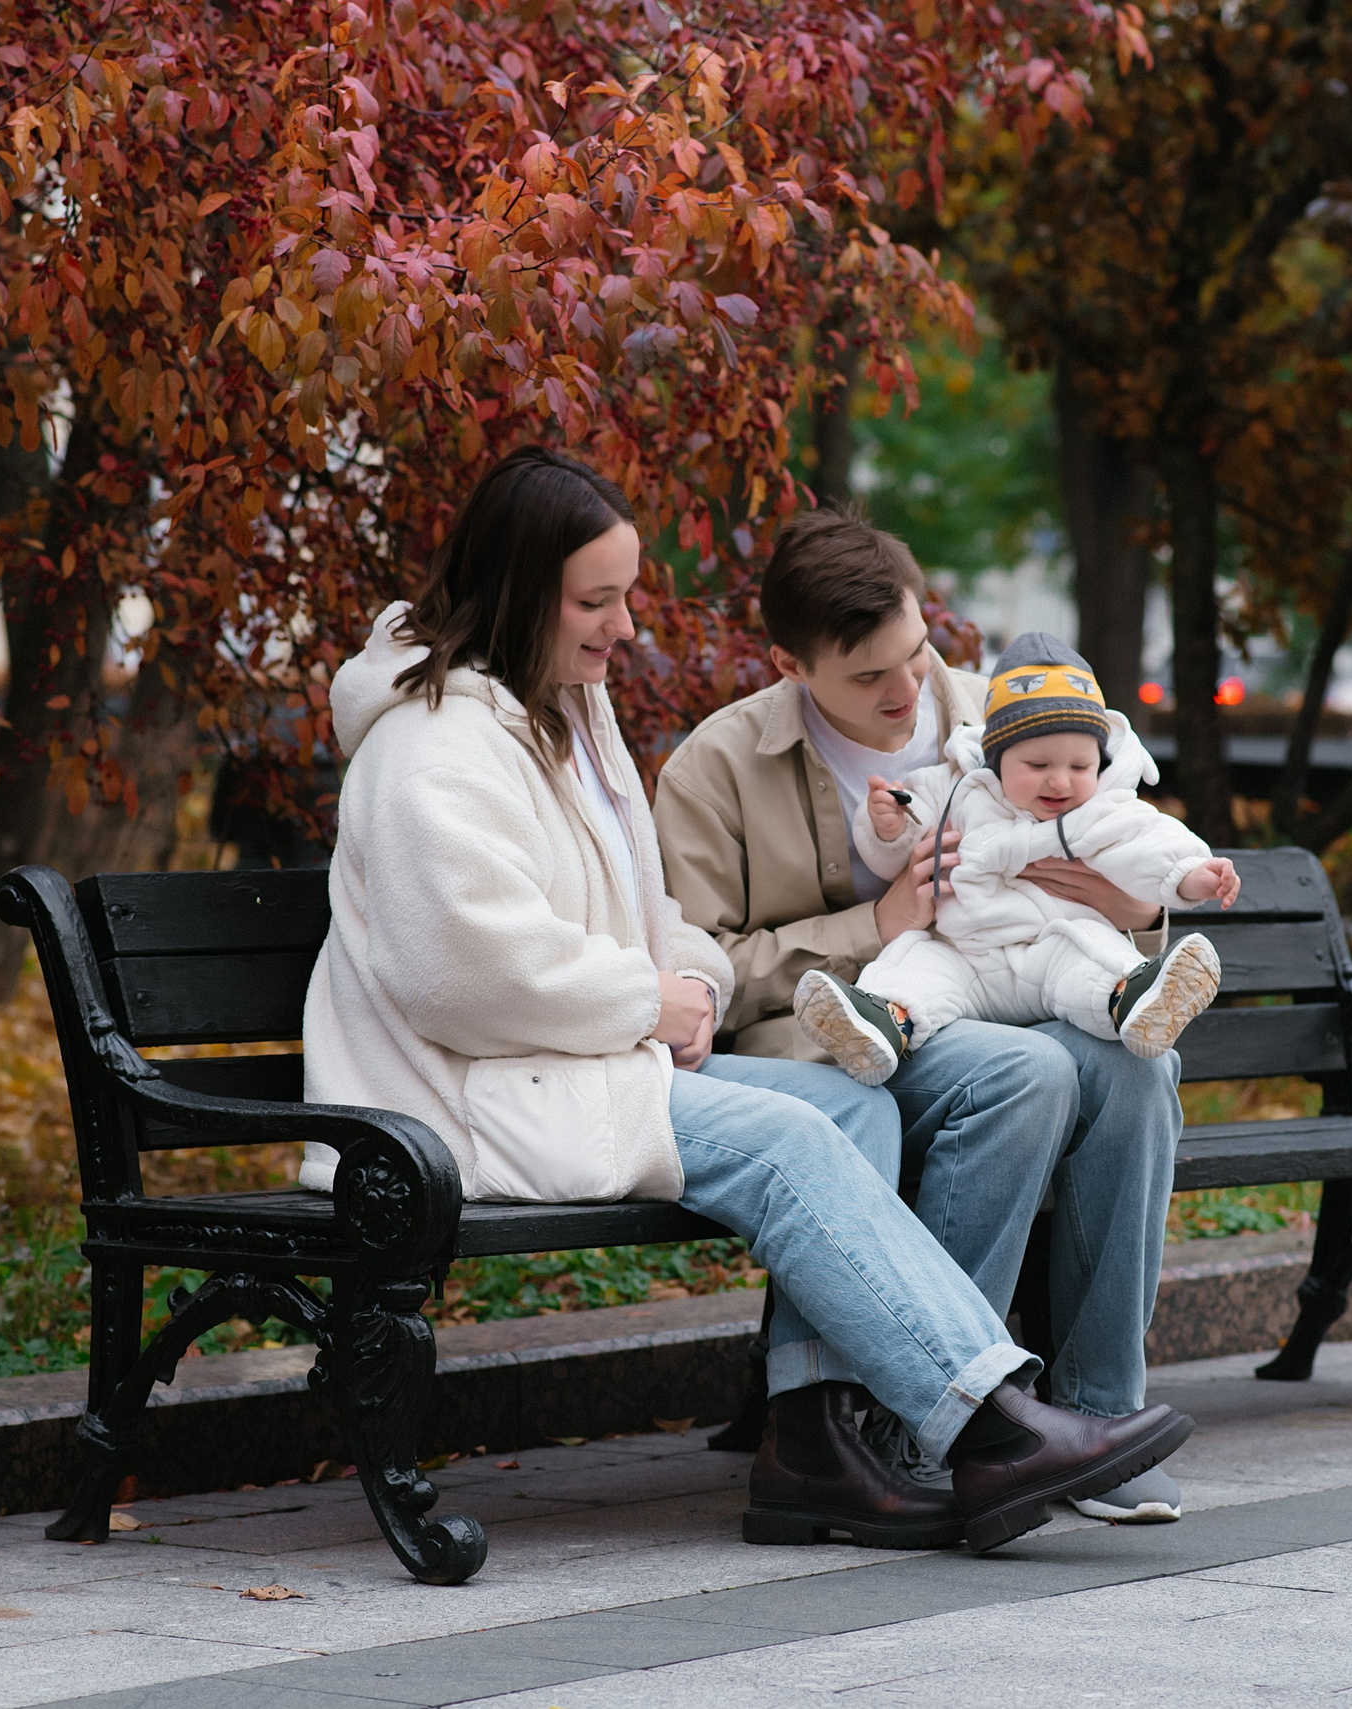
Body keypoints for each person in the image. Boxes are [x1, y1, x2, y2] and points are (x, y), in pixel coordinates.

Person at [297, 447, 1189, 1554]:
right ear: (522, 592)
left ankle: (817, 1448)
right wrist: (651, 998)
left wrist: (690, 983)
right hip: (472, 1098)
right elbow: (463, 975)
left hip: (582, 1062)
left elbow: (646, 910)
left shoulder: (560, 713)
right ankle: (989, 1421)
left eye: (623, 595)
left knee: (849, 1108)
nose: (625, 626)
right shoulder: (432, 749)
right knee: (797, 1130)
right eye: (598, 600)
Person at [653, 510, 1194, 1525]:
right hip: (829, 1034)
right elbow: (703, 968)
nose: (905, 694)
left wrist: (1135, 904)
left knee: (1133, 1065)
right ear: (788, 663)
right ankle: (937, 1420)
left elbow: (1115, 831)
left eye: (913, 654)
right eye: (866, 678)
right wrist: (876, 920)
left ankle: (1093, 1417)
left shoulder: (992, 716)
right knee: (1024, 1075)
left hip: (1009, 986)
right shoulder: (717, 767)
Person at [795, 630, 1241, 1085]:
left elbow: (1151, 843)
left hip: (1052, 945)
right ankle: (883, 1025)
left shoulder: (1100, 811)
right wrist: (888, 825)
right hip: (964, 951)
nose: (1061, 783)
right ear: (998, 759)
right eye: (1038, 766)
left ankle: (1136, 1001)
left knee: (1093, 953)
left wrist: (1193, 874)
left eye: (1079, 767)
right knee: (913, 963)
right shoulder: (957, 788)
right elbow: (906, 839)